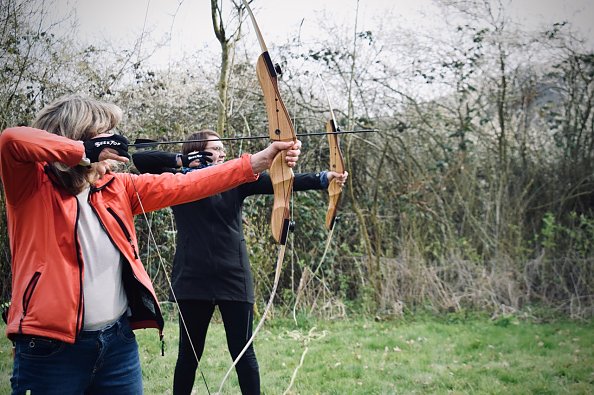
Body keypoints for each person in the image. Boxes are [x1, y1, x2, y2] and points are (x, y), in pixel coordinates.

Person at [0, 94, 301, 395]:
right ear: (79, 140)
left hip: (117, 345)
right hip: (50, 350)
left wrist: (259, 160)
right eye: (105, 141)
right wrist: (85, 151)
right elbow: (11, 139)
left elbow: (190, 183)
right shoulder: (30, 188)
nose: (113, 152)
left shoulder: (117, 188)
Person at [132, 129, 348, 395]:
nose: (223, 153)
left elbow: (282, 182)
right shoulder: (177, 180)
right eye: (215, 149)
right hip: (192, 278)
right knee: (189, 355)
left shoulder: (236, 180)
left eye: (224, 148)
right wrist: (182, 160)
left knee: (244, 353)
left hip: (233, 276)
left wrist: (325, 178)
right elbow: (140, 160)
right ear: (197, 151)